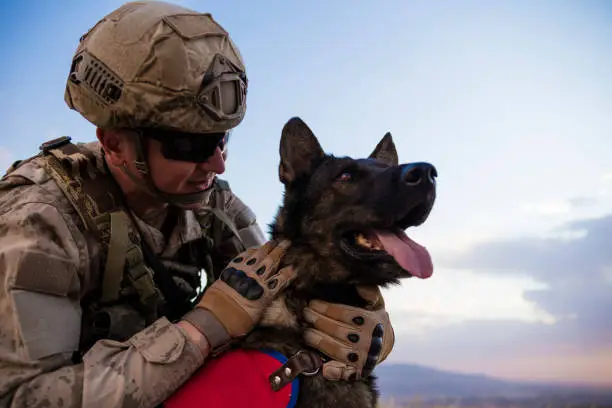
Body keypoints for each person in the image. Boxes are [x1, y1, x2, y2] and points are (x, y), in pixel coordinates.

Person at [0, 2, 396, 407]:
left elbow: (296, 295)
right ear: (115, 143)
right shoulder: (39, 219)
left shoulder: (214, 205)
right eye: (191, 145)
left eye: (222, 139)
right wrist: (202, 329)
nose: (217, 163)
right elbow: (22, 397)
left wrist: (371, 328)